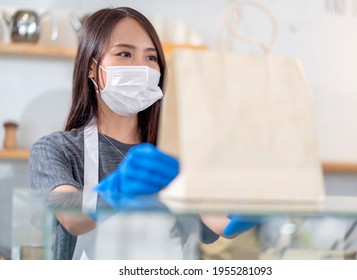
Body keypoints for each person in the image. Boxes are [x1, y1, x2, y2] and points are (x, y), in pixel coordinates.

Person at [29, 6, 258, 260]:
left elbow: (220, 222)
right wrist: (119, 188)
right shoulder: (56, 149)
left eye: (151, 58)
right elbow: (71, 217)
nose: (142, 67)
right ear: (91, 68)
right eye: (125, 53)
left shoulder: (176, 154)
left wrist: (254, 204)